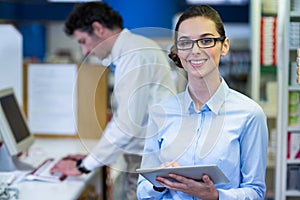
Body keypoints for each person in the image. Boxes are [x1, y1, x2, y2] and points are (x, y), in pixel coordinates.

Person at [137, 5, 268, 200]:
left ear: (224, 46)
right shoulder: (161, 113)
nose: (195, 50)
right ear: (178, 52)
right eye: (185, 43)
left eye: (206, 41)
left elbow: (256, 192)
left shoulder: (249, 114)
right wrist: (159, 183)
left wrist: (216, 196)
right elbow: (142, 192)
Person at [50, 2, 177, 200]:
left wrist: (84, 166)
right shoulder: (135, 49)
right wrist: (90, 159)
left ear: (98, 29)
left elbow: (127, 125)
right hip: (145, 156)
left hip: (148, 160)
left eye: (83, 41)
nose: (84, 51)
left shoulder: (134, 55)